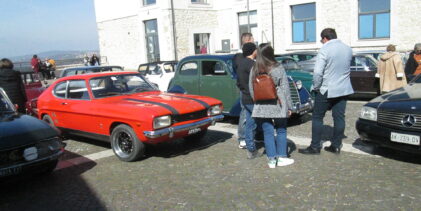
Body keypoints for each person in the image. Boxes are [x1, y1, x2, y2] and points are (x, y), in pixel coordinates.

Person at [298, 28, 354, 155]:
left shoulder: (325, 49)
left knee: (317, 117)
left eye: (321, 40)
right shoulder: (348, 48)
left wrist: (316, 87)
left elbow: (318, 72)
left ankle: (315, 146)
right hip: (343, 89)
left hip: (327, 88)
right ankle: (336, 145)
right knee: (339, 117)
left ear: (324, 38)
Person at [248, 44, 294, 168]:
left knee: (267, 132)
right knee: (281, 130)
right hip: (278, 103)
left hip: (261, 105)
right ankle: (282, 156)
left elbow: (251, 89)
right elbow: (285, 87)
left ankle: (272, 160)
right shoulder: (277, 67)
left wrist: (257, 101)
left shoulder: (254, 69)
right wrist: (290, 106)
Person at [237, 42, 261, 159]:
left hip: (244, 96)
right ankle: (251, 149)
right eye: (256, 49)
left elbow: (238, 82)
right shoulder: (252, 64)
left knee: (249, 123)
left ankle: (249, 146)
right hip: (252, 98)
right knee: (252, 124)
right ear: (253, 51)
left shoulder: (241, 63)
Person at [234, 32, 255, 149]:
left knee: (250, 116)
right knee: (245, 113)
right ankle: (242, 138)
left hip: (250, 90)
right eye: (252, 40)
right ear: (248, 41)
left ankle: (250, 137)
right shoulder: (240, 57)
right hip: (246, 90)